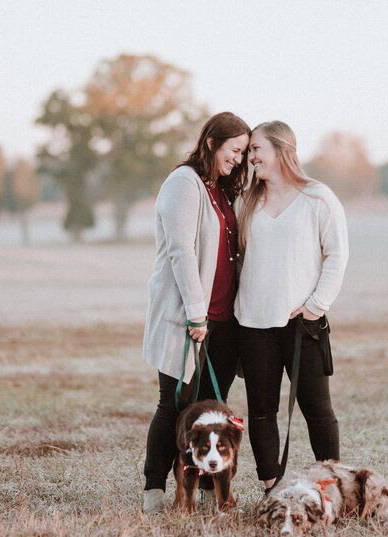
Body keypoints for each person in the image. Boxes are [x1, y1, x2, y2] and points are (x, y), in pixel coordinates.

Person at [141, 111, 251, 514]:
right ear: (211, 142)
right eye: (234, 150)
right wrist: (196, 313)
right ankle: (154, 491)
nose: (238, 160)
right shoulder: (183, 183)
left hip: (225, 319)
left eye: (243, 153)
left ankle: (208, 490)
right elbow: (180, 251)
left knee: (211, 409)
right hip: (190, 320)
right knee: (173, 406)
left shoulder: (221, 191)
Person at [234, 120, 349, 491]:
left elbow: (337, 254)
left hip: (303, 325)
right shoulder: (246, 202)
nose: (250, 158)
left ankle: (329, 489)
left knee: (317, 412)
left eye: (256, 149)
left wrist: (315, 306)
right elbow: (237, 260)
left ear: (282, 149)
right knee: (262, 411)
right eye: (249, 151)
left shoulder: (318, 198)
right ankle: (272, 489)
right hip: (253, 324)